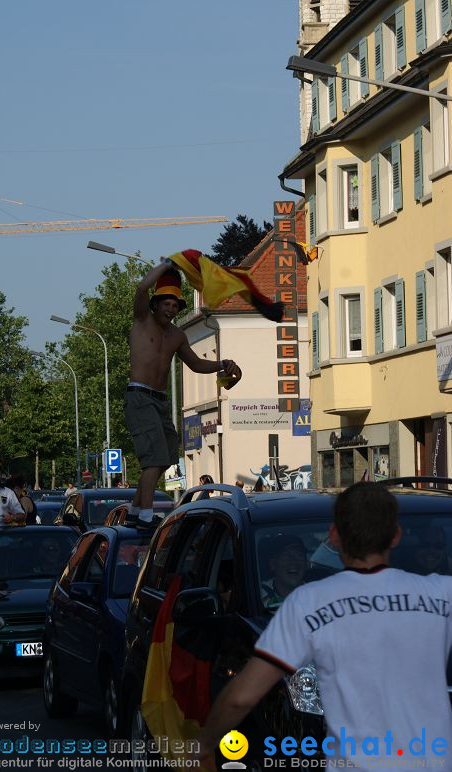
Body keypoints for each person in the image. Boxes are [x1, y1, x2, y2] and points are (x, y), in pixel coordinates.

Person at [198, 483, 452, 768]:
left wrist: (206, 744)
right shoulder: (442, 593)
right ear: (395, 536)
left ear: (334, 537)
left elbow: (242, 697)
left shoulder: (308, 603)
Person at [125, 262, 241, 530]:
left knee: (165, 455)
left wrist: (221, 364)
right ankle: (144, 516)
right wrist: (168, 264)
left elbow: (196, 364)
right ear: (154, 305)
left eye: (176, 305)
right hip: (139, 397)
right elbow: (142, 287)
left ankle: (134, 510)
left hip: (159, 401)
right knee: (153, 458)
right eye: (166, 303)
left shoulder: (177, 335)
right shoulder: (142, 320)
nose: (171, 308)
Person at [260, 534, 307, 609]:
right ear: (273, 564)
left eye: (299, 556)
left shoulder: (316, 594)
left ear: (306, 564)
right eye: (286, 556)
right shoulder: (258, 595)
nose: (294, 561)